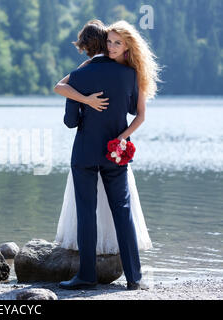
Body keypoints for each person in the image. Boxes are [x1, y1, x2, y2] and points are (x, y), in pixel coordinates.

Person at [53, 19, 160, 290]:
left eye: (117, 42)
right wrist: (120, 138)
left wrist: (85, 100)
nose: (112, 46)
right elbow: (137, 114)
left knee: (86, 212)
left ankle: (87, 276)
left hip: (85, 153)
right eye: (110, 41)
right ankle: (134, 278)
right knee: (122, 212)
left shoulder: (79, 76)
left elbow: (70, 122)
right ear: (104, 43)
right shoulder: (130, 74)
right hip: (115, 154)